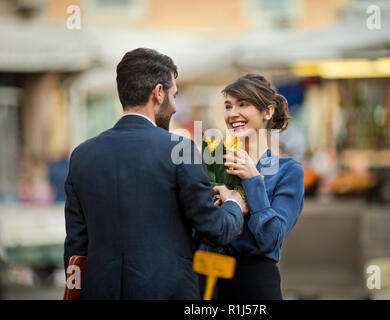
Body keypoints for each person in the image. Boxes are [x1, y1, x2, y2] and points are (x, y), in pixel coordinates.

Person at [63, 48, 247, 300]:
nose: (174, 107)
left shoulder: (82, 155)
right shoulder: (181, 150)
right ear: (158, 93)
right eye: (174, 95)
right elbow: (214, 229)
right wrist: (235, 205)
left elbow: (76, 247)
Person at [214, 73, 305, 300]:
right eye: (228, 106)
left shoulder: (289, 171)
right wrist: (231, 206)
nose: (232, 113)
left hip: (255, 285)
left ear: (268, 112)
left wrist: (253, 181)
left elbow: (271, 239)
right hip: (210, 280)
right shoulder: (215, 165)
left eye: (243, 104)